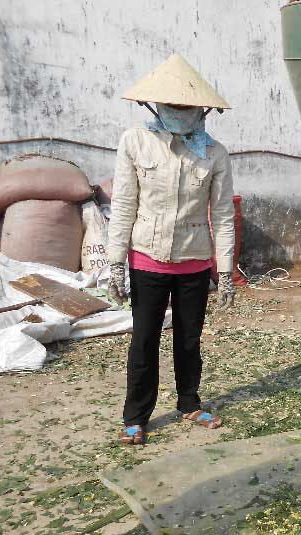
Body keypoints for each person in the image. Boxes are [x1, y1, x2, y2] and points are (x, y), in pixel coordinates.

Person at [106, 54, 236, 445]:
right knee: (144, 339)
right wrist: (115, 263)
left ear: (202, 111)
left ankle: (189, 403)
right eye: (173, 106)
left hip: (194, 261)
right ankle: (136, 415)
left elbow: (224, 216)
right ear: (157, 106)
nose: (180, 113)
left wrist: (226, 272)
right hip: (147, 259)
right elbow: (124, 205)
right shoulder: (135, 142)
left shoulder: (215, 154)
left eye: (188, 107)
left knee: (189, 338)